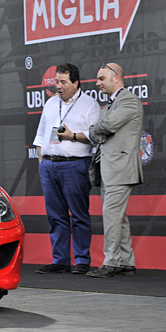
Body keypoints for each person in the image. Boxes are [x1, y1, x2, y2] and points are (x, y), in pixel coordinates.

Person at [31, 63, 101, 274]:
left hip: (75, 165)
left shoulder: (89, 104)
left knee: (79, 215)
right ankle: (60, 260)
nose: (58, 86)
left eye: (63, 82)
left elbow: (95, 136)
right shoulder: (51, 103)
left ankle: (81, 260)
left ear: (75, 83)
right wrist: (42, 162)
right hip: (50, 165)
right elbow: (41, 134)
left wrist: (72, 136)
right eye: (56, 82)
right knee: (55, 215)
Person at [87, 62, 144, 277]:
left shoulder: (128, 100)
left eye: (102, 79)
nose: (98, 82)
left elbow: (105, 127)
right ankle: (126, 261)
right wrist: (98, 129)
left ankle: (111, 262)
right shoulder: (112, 104)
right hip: (111, 167)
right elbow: (97, 131)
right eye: (98, 79)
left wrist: (98, 128)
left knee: (112, 215)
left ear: (116, 78)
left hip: (120, 168)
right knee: (118, 216)